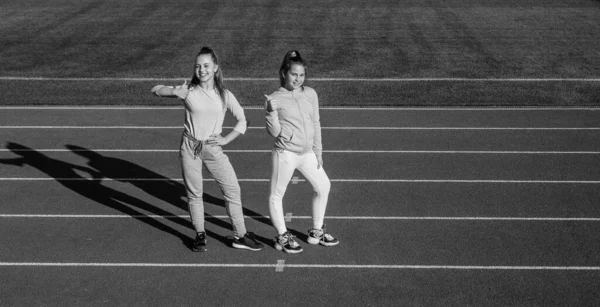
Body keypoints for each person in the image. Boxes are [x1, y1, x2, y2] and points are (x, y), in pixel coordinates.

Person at [151, 47, 263, 252]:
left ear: (215, 68)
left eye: (206, 66)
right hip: (190, 147)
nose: (201, 70)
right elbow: (156, 89)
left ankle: (241, 235)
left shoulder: (225, 95)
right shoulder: (189, 91)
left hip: (213, 149)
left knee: (232, 190)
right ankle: (200, 235)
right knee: (195, 194)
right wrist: (175, 91)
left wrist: (226, 139)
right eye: (198, 66)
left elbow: (242, 119)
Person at [264, 50, 339, 254]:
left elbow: (316, 122)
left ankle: (316, 231)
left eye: (302, 75)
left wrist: (319, 152)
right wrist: (270, 112)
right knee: (276, 195)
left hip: (307, 154)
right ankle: (282, 235)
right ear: (284, 73)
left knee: (323, 186)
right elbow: (274, 132)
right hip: (285, 154)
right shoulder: (274, 98)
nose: (298, 79)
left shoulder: (310, 94)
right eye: (294, 74)